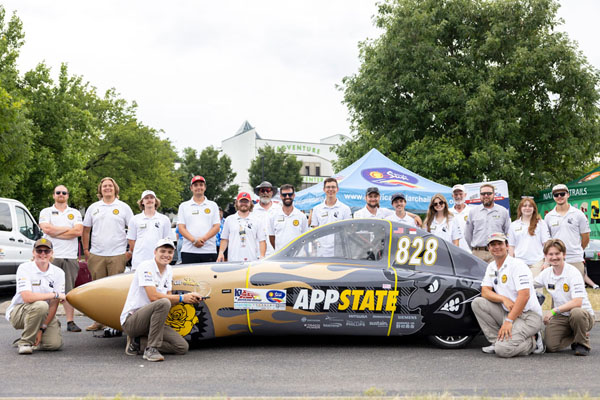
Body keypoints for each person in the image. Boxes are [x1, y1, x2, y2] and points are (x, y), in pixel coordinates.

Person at [120, 238, 203, 362]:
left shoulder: (169, 270)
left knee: (182, 347)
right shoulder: (146, 266)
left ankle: (137, 344)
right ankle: (151, 349)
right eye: (162, 251)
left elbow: (170, 299)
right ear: (155, 252)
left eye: (170, 252)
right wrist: (181, 297)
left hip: (153, 321)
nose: (166, 255)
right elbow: (153, 296)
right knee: (162, 302)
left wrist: (189, 298)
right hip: (132, 320)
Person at [471, 233, 544, 357]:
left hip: (528, 316)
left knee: (503, 350)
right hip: (508, 312)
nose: (497, 247)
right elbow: (485, 292)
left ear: (507, 246)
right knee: (478, 303)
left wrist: (509, 321)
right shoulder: (491, 266)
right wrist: (503, 298)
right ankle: (496, 341)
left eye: (500, 244)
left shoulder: (517, 265)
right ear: (489, 248)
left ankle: (534, 341)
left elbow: (524, 295)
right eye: (493, 244)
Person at [82, 177, 134, 331]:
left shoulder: (124, 207)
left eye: (110, 186)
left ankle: (115, 323)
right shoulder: (93, 208)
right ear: (100, 190)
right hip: (97, 254)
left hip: (117, 254)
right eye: (104, 186)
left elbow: (132, 229)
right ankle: (99, 321)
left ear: (115, 188)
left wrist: (130, 251)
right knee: (98, 291)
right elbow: (86, 230)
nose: (107, 188)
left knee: (116, 291)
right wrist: (86, 250)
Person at [6, 239, 66, 354]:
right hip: (20, 311)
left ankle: (34, 336)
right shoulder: (24, 268)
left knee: (54, 345)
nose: (43, 254)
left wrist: (42, 328)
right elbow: (27, 298)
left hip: (44, 312)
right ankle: (25, 342)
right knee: (41, 305)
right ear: (33, 252)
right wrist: (53, 294)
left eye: (46, 251)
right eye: (39, 250)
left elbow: (54, 304)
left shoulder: (59, 273)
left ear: (51, 253)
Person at [534, 239, 594, 356]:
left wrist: (553, 311)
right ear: (546, 256)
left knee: (577, 313)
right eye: (551, 254)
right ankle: (577, 334)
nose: (554, 257)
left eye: (557, 253)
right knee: (550, 346)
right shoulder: (546, 274)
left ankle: (582, 343)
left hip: (583, 315)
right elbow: (530, 285)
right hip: (563, 316)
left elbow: (577, 302)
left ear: (564, 254)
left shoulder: (573, 273)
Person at [38, 185, 83, 332]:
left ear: (68, 196)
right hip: (51, 256)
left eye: (64, 192)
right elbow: (47, 229)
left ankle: (70, 321)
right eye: (58, 192)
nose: (61, 194)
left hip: (70, 256)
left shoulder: (74, 213)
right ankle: (45, 320)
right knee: (46, 289)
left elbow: (78, 231)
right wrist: (67, 230)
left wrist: (55, 232)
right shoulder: (46, 211)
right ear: (53, 195)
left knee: (68, 291)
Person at [544, 184, 590, 277]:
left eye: (562, 194)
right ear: (554, 197)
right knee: (558, 289)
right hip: (556, 259)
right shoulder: (548, 217)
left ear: (568, 195)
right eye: (556, 195)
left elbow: (586, 236)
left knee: (576, 289)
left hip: (575, 259)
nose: (559, 197)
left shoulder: (578, 214)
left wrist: (578, 250)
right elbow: (547, 240)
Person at [177, 175, 220, 264]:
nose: (198, 187)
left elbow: (216, 226)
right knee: (189, 278)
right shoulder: (184, 206)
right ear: (191, 188)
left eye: (201, 185)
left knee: (208, 278)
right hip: (189, 250)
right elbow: (181, 227)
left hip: (209, 250)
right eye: (195, 185)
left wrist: (203, 239)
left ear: (205, 187)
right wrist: (194, 240)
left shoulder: (213, 205)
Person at [464, 183, 510, 263]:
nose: (486, 195)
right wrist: (475, 249)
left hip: (497, 252)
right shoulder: (473, 212)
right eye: (483, 194)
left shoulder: (503, 211)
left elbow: (508, 232)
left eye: (489, 193)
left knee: (497, 275)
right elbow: (467, 234)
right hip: (478, 253)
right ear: (480, 195)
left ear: (494, 194)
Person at [127, 190, 171, 271]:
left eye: (151, 198)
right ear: (142, 202)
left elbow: (166, 241)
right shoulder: (134, 219)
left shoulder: (164, 219)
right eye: (146, 198)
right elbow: (131, 240)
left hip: (158, 262)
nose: (149, 200)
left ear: (155, 201)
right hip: (139, 262)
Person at [508, 198, 551, 278]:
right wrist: (510, 263)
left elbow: (546, 244)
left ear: (534, 209)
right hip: (519, 262)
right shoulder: (513, 225)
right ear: (520, 208)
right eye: (524, 206)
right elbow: (511, 246)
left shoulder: (541, 223)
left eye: (530, 206)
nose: (527, 208)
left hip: (537, 262)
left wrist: (547, 262)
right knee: (522, 288)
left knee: (537, 288)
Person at [217, 192, 266, 262]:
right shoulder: (229, 219)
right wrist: (221, 253)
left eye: (246, 201)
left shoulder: (257, 220)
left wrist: (262, 256)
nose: (244, 204)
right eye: (241, 201)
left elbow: (262, 241)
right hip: (233, 260)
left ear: (250, 203)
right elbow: (224, 239)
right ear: (236, 203)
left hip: (252, 260)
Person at [268, 184, 309, 251]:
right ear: (281, 196)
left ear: (293, 195)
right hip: (280, 257)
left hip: (297, 256)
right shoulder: (273, 216)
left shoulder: (301, 216)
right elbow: (272, 237)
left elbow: (305, 237)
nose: (287, 197)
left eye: (290, 194)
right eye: (284, 195)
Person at [252, 181, 281, 257]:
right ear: (259, 193)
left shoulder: (279, 209)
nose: (265, 193)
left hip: (275, 252)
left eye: (268, 190)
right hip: (257, 252)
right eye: (262, 190)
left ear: (272, 193)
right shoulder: (252, 210)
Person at [449, 184, 472, 253]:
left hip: (469, 251)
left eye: (460, 194)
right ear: (452, 196)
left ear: (465, 195)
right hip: (452, 251)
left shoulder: (472, 211)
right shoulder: (447, 212)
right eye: (456, 194)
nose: (458, 196)